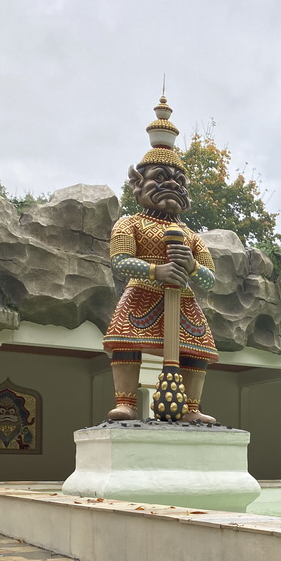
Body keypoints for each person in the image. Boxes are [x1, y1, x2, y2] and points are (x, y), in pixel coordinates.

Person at [104, 94, 218, 423]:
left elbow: (209, 277)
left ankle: (191, 408)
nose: (171, 185)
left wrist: (192, 266)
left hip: (182, 297)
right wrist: (158, 269)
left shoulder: (191, 235)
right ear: (138, 185)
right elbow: (120, 262)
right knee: (125, 340)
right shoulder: (130, 223)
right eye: (159, 178)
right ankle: (125, 401)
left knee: (198, 348)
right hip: (142, 290)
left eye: (179, 182)